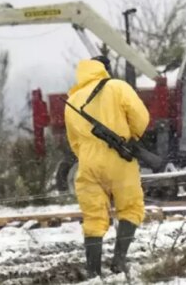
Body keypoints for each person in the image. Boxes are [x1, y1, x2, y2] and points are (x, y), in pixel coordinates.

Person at [64, 56, 150, 277]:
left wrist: (87, 154)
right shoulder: (117, 87)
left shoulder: (72, 99)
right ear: (105, 69)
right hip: (119, 158)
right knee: (130, 208)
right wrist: (132, 137)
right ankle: (119, 261)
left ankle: (93, 272)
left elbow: (73, 141)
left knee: (93, 216)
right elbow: (141, 118)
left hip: (87, 163)